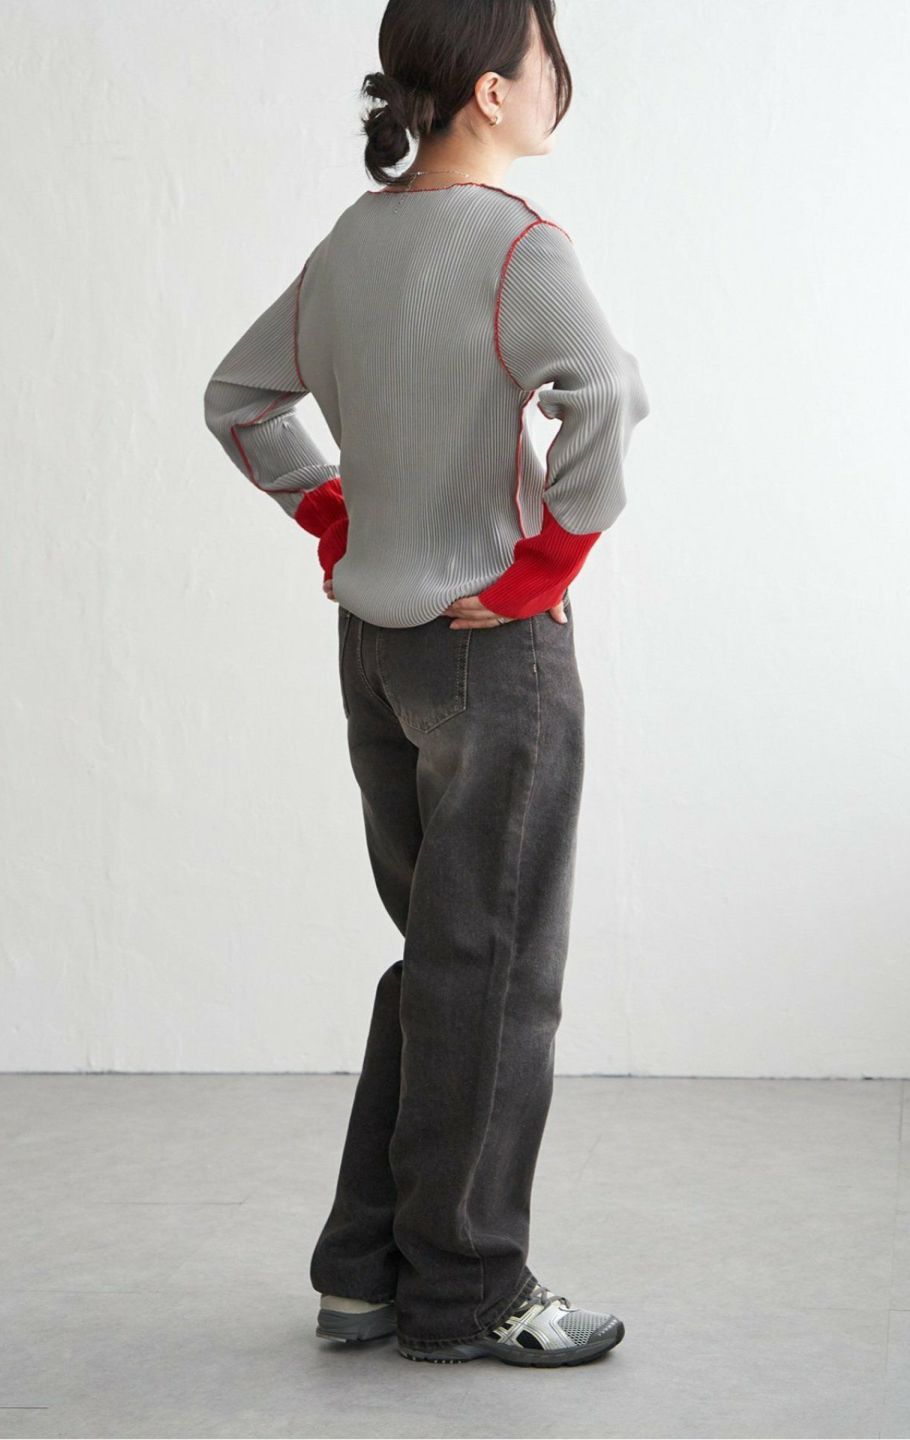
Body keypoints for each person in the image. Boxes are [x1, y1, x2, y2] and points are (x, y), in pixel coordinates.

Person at [202, 0, 650, 1367]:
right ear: (493, 90)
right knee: (493, 972)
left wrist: (335, 514)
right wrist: (545, 559)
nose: (560, 78)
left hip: (378, 652)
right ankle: (468, 1290)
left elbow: (239, 399)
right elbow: (608, 391)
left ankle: (363, 1276)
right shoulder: (517, 246)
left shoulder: (354, 240)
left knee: (441, 958)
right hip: (492, 658)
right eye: (546, 55)